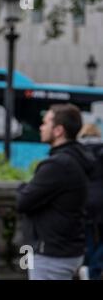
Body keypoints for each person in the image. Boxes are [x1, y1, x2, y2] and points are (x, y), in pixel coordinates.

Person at [17, 104, 96, 280]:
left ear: (58, 130)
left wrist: (22, 187)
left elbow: (22, 201)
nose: (40, 127)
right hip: (67, 249)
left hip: (51, 253)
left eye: (45, 123)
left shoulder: (57, 165)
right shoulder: (76, 157)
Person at [78, 123, 103, 280]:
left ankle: (88, 266)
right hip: (102, 199)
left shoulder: (78, 151)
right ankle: (94, 267)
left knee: (87, 234)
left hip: (84, 198)